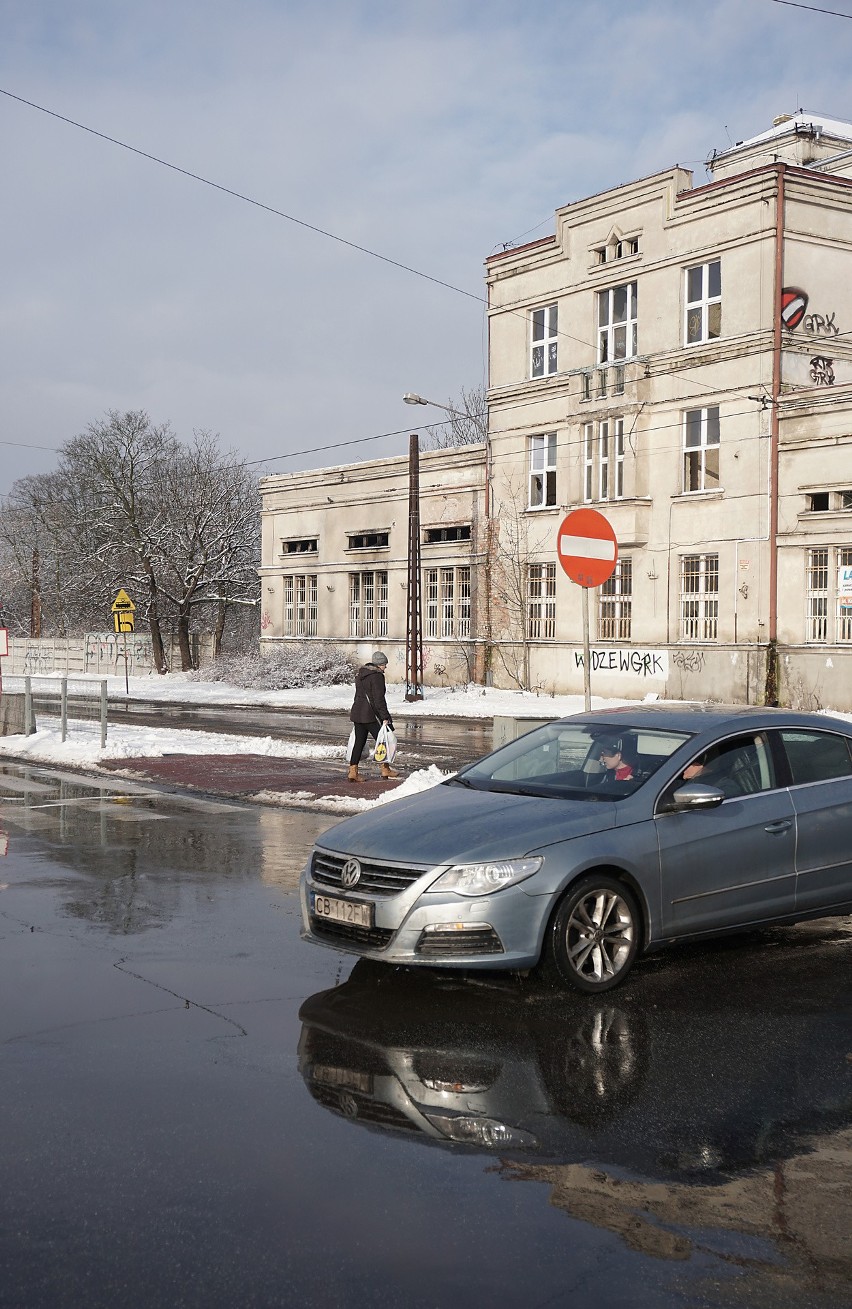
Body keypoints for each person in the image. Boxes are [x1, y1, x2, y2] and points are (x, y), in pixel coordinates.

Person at [348, 651, 398, 782]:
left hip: (358, 713)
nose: (385, 667)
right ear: (379, 664)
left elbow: (358, 695)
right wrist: (385, 717)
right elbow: (378, 699)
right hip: (370, 715)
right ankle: (385, 769)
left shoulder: (361, 674)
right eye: (384, 665)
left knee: (359, 742)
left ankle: (353, 771)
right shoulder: (377, 677)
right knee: (383, 741)